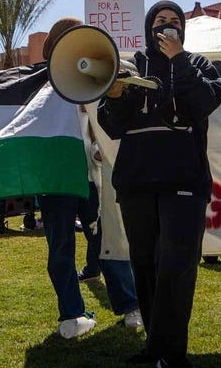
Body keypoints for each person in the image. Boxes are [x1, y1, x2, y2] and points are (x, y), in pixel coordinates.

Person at [98, 1, 221, 368]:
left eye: (174, 22)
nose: (168, 27)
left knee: (176, 267)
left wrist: (179, 61)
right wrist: (118, 95)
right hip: (137, 183)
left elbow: (205, 101)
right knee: (146, 266)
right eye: (160, 22)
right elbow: (111, 125)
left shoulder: (199, 65)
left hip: (184, 182)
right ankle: (156, 344)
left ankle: (173, 355)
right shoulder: (130, 67)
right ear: (148, 28)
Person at [38, 17, 143, 339]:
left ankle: (130, 305)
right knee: (61, 247)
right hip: (55, 178)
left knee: (109, 240)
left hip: (93, 176)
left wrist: (99, 145)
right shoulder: (40, 88)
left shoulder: (99, 77)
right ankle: (72, 313)